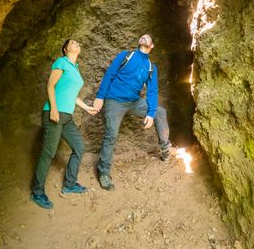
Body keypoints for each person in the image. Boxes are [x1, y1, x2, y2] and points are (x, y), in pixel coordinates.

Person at [93, 34, 172, 191]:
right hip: (114, 101)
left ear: (152, 46)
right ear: (139, 42)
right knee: (111, 134)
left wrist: (150, 113)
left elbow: (152, 91)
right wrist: (100, 97)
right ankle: (103, 172)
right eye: (142, 36)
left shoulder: (151, 67)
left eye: (148, 37)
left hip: (134, 102)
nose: (144, 37)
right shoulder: (126, 56)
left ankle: (165, 149)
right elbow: (109, 74)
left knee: (160, 112)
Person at [30, 39, 97, 209]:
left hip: (67, 116)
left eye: (78, 42)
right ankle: (37, 193)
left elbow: (72, 95)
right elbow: (51, 85)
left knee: (79, 147)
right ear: (66, 49)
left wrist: (87, 108)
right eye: (73, 42)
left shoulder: (75, 68)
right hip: (54, 113)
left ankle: (69, 184)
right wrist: (53, 108)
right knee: (48, 153)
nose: (77, 43)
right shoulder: (62, 62)